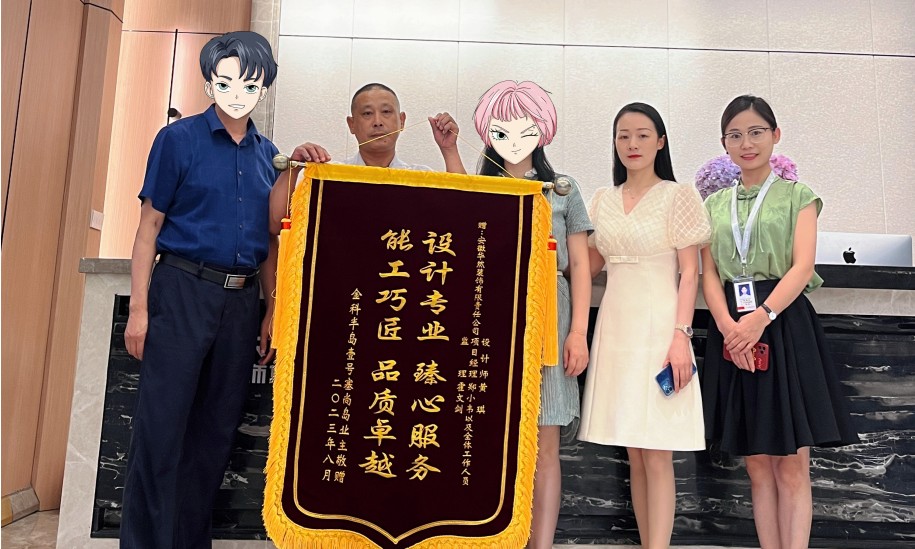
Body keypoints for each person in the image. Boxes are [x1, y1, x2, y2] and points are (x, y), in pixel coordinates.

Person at [121, 31, 299, 548]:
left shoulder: (269, 156)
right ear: (209, 83)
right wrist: (139, 310)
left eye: (250, 84)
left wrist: (270, 311)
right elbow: (148, 228)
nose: (238, 93)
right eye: (226, 82)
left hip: (240, 303)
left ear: (263, 88)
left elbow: (270, 242)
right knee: (161, 429)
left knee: (216, 433)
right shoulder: (178, 140)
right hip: (182, 289)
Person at [700, 95, 859, 549]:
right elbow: (708, 274)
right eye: (735, 135)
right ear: (724, 144)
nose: (746, 143)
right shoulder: (713, 204)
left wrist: (761, 317)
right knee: (756, 462)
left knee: (791, 462)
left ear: (775, 135)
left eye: (756, 132)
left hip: (783, 324)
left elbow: (802, 266)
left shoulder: (798, 196)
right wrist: (729, 327)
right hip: (731, 327)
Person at [578, 103, 710, 549]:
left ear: (660, 142)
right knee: (634, 450)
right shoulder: (602, 199)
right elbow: (586, 266)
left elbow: (689, 274)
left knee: (657, 451)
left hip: (661, 330)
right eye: (623, 136)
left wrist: (681, 337)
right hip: (616, 328)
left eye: (642, 135)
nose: (632, 144)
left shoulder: (678, 195)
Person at [472, 80, 591, 549]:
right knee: (488, 438)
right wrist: (449, 151)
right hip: (492, 314)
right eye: (502, 129)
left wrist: (578, 332)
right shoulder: (482, 188)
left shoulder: (563, 189)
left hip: (550, 315)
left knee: (545, 443)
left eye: (526, 128)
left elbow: (580, 266)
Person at [270, 82, 465, 233]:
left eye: (386, 112)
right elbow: (277, 224)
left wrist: (449, 149)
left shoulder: (421, 179)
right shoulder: (330, 178)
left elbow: (462, 217)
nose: (377, 122)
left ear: (402, 121)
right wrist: (293, 169)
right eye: (367, 113)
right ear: (352, 124)